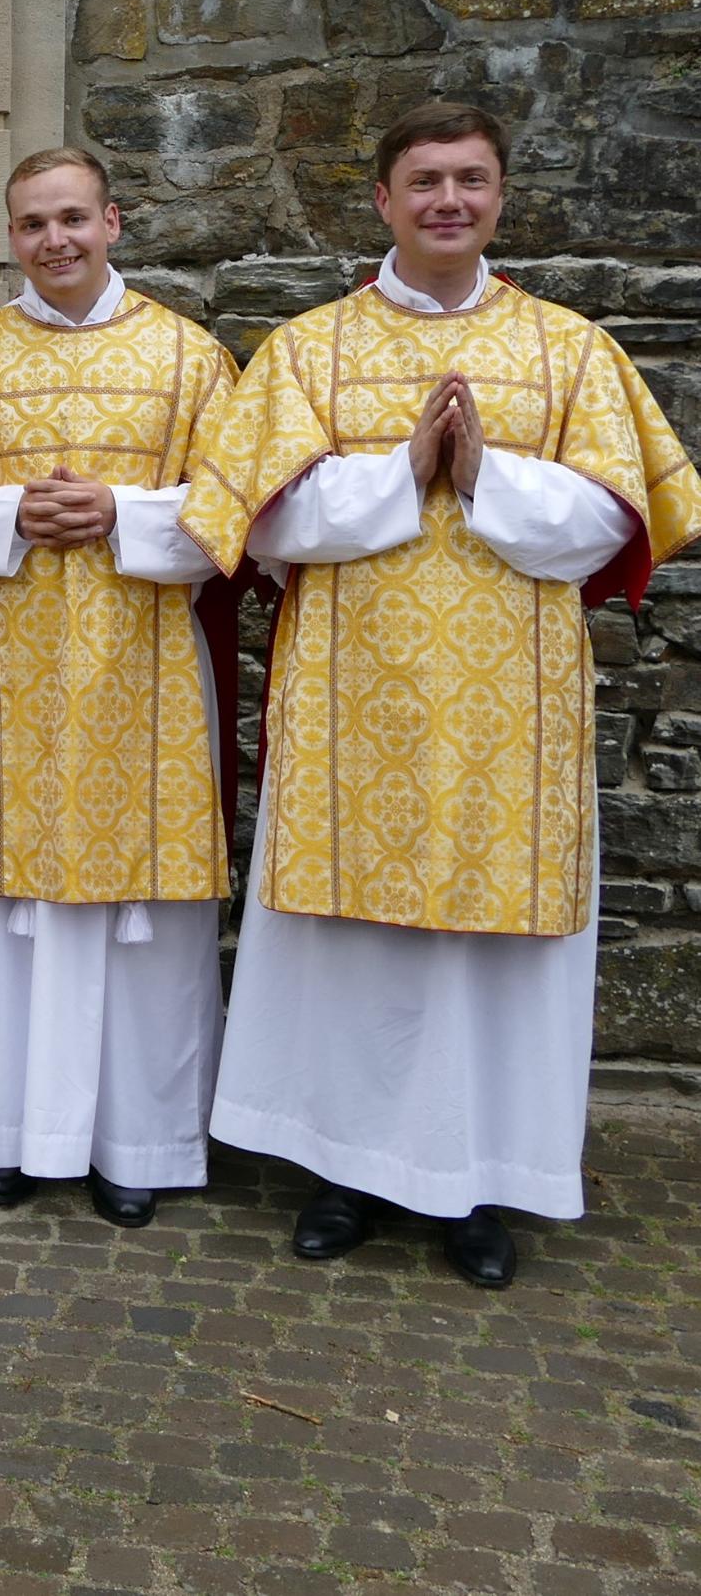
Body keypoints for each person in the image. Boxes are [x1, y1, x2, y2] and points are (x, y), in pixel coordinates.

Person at [185, 100, 699, 1287]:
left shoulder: (568, 349)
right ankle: (341, 1167)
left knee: (484, 959)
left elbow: (621, 523)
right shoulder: (308, 350)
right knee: (354, 947)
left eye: (470, 179)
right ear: (381, 198)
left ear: (500, 194)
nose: (447, 201)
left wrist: (488, 477)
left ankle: (480, 1181)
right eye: (424, 181)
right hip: (348, 698)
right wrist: (399, 472)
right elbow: (258, 525)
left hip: (508, 713)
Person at [0, 148, 239, 1228]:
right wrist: (8, 516)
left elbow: (235, 508)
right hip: (5, 661)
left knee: (136, 911)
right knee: (11, 909)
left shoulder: (189, 359)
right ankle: (1, 1132)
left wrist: (122, 516)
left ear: (113, 220)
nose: (53, 239)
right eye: (30, 224)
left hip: (139, 667)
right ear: (9, 237)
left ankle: (134, 1140)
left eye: (71, 218)